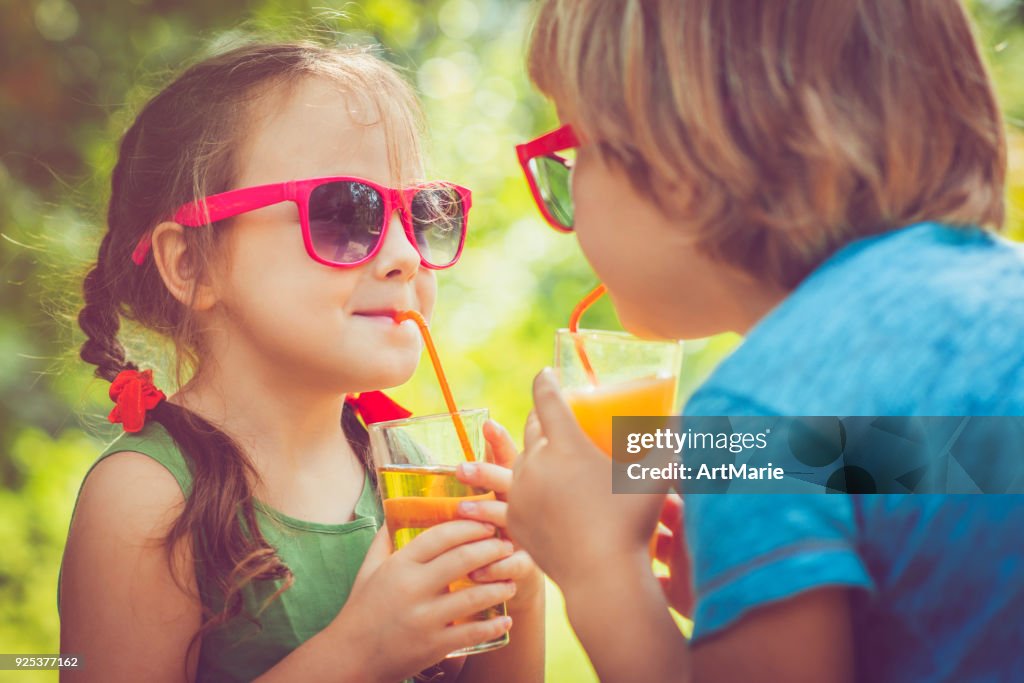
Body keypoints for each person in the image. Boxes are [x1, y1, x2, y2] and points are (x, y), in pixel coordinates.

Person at [504, 1, 1024, 681]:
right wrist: (745, 535)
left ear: (679, 161)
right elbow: (956, 461)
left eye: (571, 153)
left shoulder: (760, 400)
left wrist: (600, 570)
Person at [58, 41, 544, 683]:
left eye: (421, 214)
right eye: (346, 212)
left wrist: (524, 584)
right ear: (191, 263)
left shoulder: (412, 478)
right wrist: (361, 652)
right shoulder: (145, 501)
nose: (405, 255)